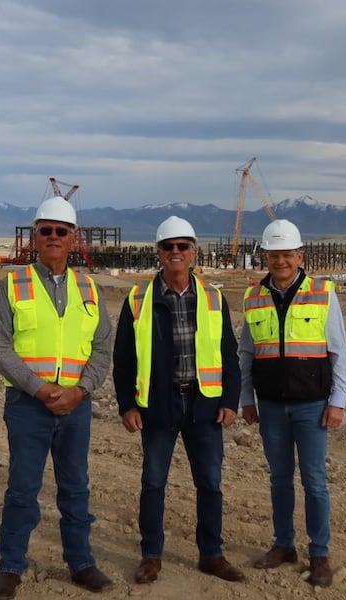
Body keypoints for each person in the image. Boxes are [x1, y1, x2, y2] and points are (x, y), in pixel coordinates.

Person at [0, 196, 114, 599]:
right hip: (28, 405)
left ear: (74, 238)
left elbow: (102, 347)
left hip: (76, 406)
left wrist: (80, 390)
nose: (54, 237)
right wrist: (38, 388)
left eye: (62, 231)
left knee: (75, 487)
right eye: (46, 230)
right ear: (35, 236)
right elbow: (0, 345)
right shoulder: (13, 284)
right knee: (22, 489)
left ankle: (81, 563)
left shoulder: (89, 288)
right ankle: (11, 566)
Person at [113, 216, 246, 585]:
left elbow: (228, 354)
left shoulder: (213, 298)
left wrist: (230, 400)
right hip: (158, 406)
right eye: (168, 246)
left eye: (182, 246)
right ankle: (151, 556)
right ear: (159, 253)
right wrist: (127, 404)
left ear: (193, 252)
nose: (176, 252)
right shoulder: (138, 299)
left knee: (210, 483)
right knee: (154, 482)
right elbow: (124, 358)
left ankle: (212, 554)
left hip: (204, 405)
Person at [238, 219, 346, 588]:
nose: (281, 261)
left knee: (314, 481)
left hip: (312, 405)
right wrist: (246, 399)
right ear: (265, 257)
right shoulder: (253, 296)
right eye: (274, 255)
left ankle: (319, 553)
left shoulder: (322, 293)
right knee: (279, 479)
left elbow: (339, 351)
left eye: (287, 254)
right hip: (270, 405)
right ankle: (283, 544)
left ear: (300, 256)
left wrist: (338, 401)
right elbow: (246, 353)